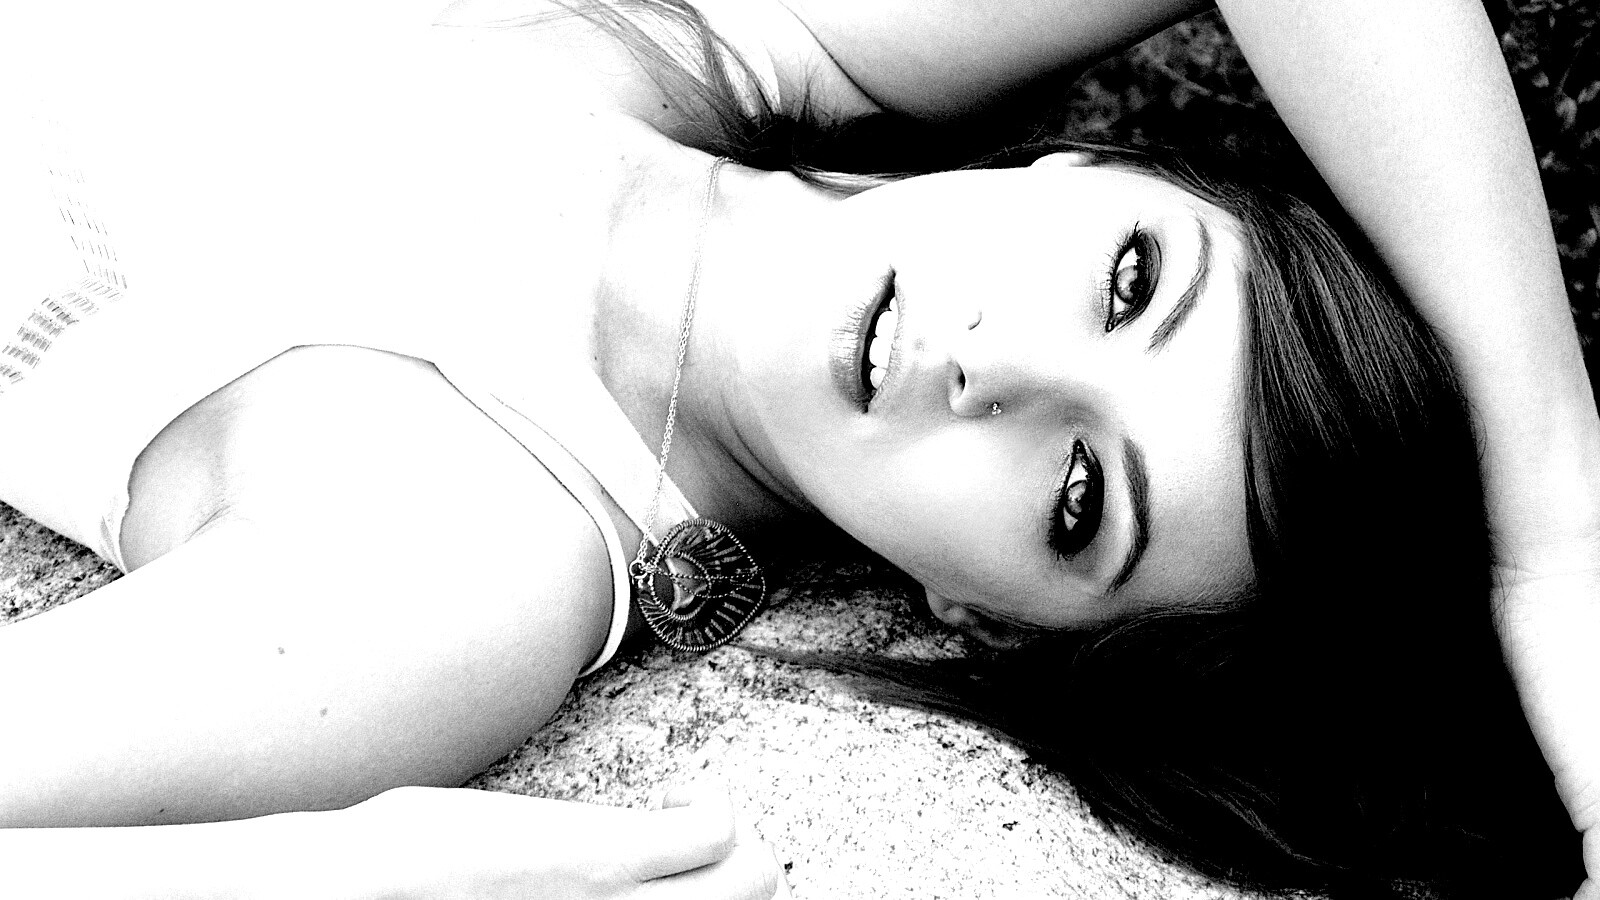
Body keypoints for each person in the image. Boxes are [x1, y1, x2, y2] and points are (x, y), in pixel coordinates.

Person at [0, 1, 1593, 898]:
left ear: (990, 620)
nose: (994, 361)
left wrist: (313, 875)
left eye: (1077, 499)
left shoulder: (465, 550)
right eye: (1129, 279)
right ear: (1083, 166)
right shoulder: (751, 33)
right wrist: (1556, 512)